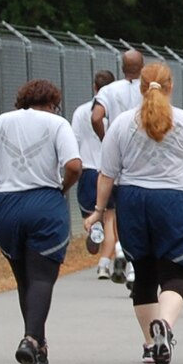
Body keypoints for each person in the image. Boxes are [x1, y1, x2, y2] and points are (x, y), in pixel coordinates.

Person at [86, 63, 183, 364]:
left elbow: (107, 174)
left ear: (141, 88)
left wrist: (98, 210)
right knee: (174, 272)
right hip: (174, 201)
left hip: (133, 201)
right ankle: (166, 326)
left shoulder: (120, 124)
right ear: (170, 87)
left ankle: (149, 342)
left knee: (143, 272)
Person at [0, 79, 82, 364]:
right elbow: (74, 165)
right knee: (42, 278)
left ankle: (37, 346)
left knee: (24, 278)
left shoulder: (2, 122)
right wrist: (62, 188)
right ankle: (32, 339)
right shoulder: (57, 123)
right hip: (44, 202)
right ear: (52, 103)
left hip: (8, 205)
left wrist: (8, 183)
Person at [90, 48, 145, 283]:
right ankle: (133, 263)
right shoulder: (149, 89)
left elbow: (95, 117)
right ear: (143, 66)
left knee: (119, 211)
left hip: (118, 155)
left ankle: (121, 249)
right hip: (143, 156)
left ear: (122, 67)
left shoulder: (109, 91)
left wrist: (105, 138)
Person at [71, 70, 115, 279]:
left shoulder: (81, 112)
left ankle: (94, 233)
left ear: (95, 88)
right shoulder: (115, 113)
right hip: (109, 171)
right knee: (110, 218)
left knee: (92, 216)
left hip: (87, 171)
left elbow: (74, 142)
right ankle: (104, 264)